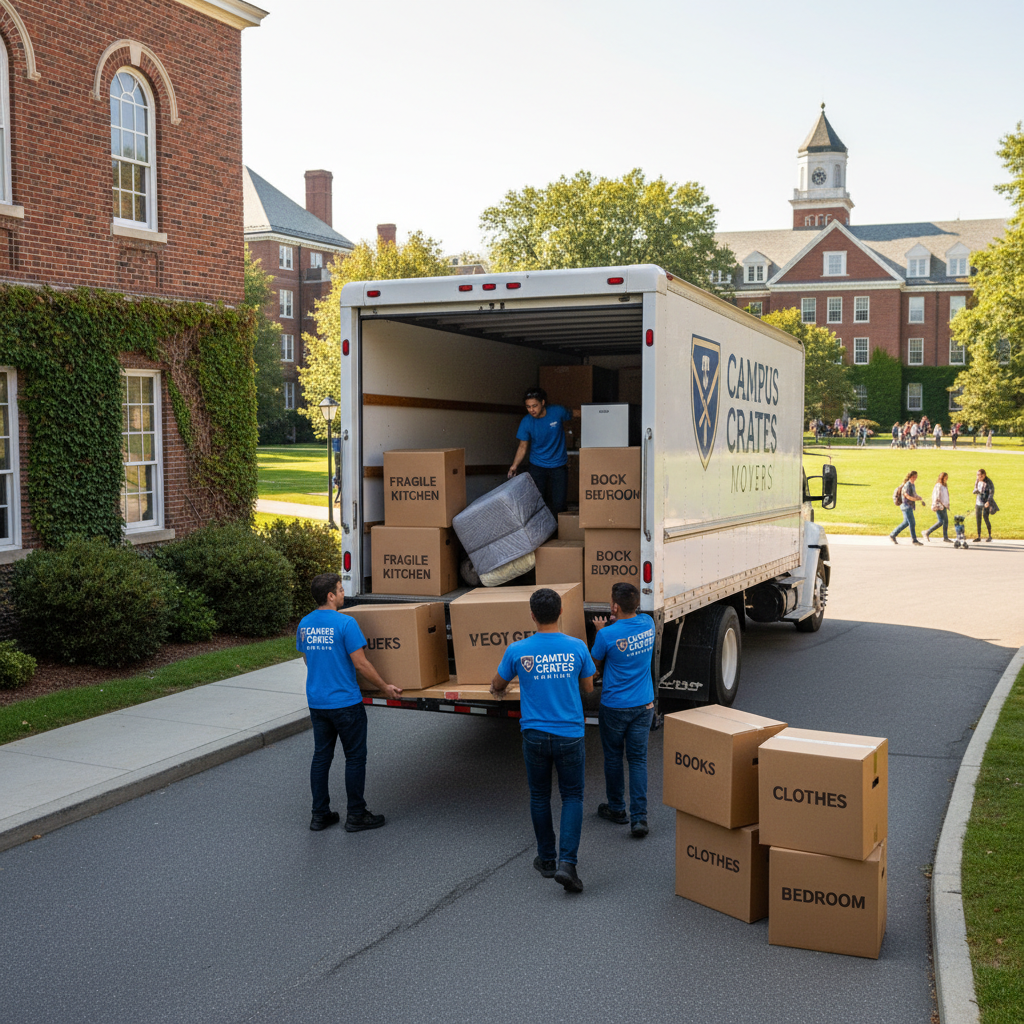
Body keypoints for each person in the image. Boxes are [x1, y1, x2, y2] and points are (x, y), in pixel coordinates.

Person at [491, 588, 595, 893]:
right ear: (561, 612)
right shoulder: (577, 647)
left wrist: (499, 687)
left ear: (532, 615)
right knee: (572, 797)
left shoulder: (517, 650)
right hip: (569, 734)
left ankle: (547, 859)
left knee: (539, 796)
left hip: (534, 734)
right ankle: (568, 864)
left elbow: (497, 684)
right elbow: (588, 689)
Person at [297, 572, 401, 833]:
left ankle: (319, 815)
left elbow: (308, 660)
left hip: (318, 703)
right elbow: (361, 664)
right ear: (330, 596)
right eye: (341, 590)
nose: (344, 594)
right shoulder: (346, 624)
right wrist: (384, 687)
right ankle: (356, 814)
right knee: (355, 758)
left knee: (321, 758)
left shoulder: (305, 624)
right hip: (345, 703)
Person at [590, 583, 656, 839]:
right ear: (637, 605)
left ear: (614, 607)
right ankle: (639, 819)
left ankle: (617, 808)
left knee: (614, 757)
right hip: (644, 705)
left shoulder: (606, 635)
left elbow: (595, 664)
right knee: (638, 760)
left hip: (615, 706)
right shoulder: (648, 624)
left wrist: (599, 629)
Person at [508, 387, 572, 515]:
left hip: (558, 465)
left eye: (534, 406)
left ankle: (560, 532)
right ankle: (541, 533)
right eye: (528, 407)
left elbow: (575, 417)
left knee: (559, 503)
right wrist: (514, 466)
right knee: (536, 502)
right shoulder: (526, 421)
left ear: (543, 403)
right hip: (537, 465)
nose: (532, 410)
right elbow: (522, 446)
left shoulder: (558, 411)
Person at [890, 470, 925, 545]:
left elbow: (914, 494)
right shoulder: (907, 485)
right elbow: (907, 496)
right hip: (906, 506)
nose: (915, 478)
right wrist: (915, 499)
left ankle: (893, 535)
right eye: (914, 477)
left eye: (916, 477)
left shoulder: (912, 484)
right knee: (912, 523)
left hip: (909, 506)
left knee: (906, 523)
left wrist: (920, 498)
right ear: (910, 477)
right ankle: (914, 540)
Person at [924, 472, 951, 542]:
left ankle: (945, 538)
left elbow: (946, 495)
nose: (946, 479)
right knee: (940, 522)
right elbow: (936, 496)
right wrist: (938, 504)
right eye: (945, 478)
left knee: (946, 521)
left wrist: (947, 504)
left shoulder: (945, 485)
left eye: (947, 478)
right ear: (941, 478)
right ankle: (927, 532)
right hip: (939, 506)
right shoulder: (938, 486)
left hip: (944, 506)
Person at [972, 469, 995, 543]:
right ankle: (978, 536)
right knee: (978, 519)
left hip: (985, 503)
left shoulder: (988, 482)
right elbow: (975, 488)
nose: (979, 476)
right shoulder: (977, 480)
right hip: (978, 502)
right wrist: (975, 491)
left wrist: (988, 502)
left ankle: (989, 536)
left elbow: (991, 493)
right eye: (978, 475)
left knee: (986, 518)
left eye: (980, 475)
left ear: (984, 475)